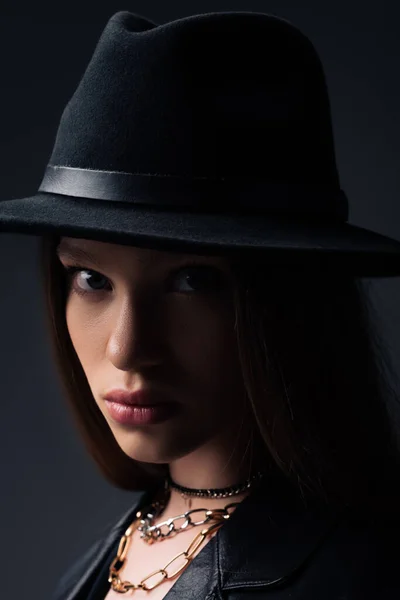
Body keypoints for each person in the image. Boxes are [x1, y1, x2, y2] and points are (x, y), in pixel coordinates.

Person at [2, 9, 400, 600]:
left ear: (289, 303)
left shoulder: (365, 573)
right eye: (92, 278)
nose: (127, 347)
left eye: (193, 281)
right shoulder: (111, 555)